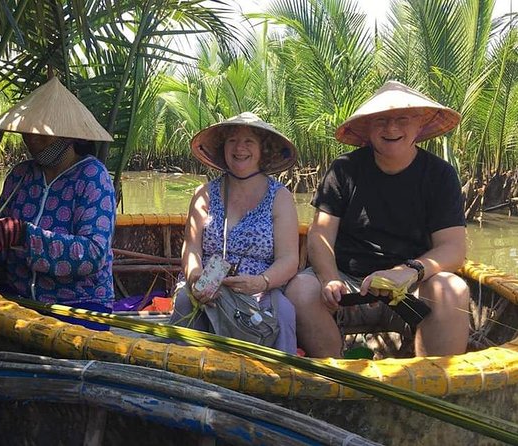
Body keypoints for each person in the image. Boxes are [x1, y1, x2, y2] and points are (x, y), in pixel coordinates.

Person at [286, 80, 469, 358]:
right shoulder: (344, 170)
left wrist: (407, 272)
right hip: (347, 285)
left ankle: (427, 384)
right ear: (368, 129)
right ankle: (337, 378)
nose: (391, 128)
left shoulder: (440, 175)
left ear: (419, 126)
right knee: (300, 290)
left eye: (402, 119)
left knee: (452, 289)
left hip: (410, 285)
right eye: (381, 121)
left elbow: (453, 248)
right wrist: (329, 279)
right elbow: (319, 236)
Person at [0, 77, 116, 330]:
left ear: (68, 135)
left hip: (80, 306)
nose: (31, 138)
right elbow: (1, 250)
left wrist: (25, 235)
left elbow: (93, 254)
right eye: (27, 130)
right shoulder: (19, 176)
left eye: (42, 133)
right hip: (17, 303)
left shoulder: (92, 176)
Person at [169, 112, 300, 354]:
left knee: (283, 311)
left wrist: (261, 282)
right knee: (186, 301)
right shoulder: (204, 193)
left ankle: (280, 381)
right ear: (223, 148)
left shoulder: (279, 197)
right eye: (232, 141)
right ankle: (180, 377)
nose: (240, 148)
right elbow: (191, 248)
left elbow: (289, 259)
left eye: (249, 141)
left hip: (261, 288)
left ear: (263, 149)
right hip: (207, 285)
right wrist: (196, 277)